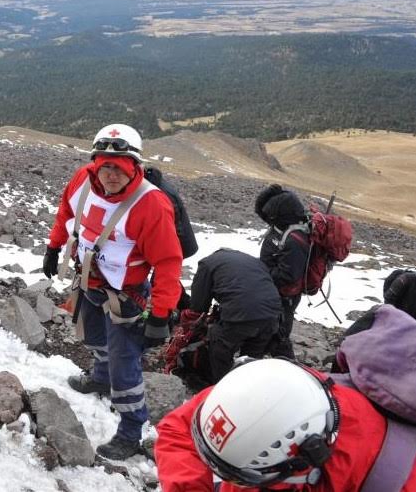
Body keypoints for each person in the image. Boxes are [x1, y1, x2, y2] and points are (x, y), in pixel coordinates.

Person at [42, 123, 183, 460]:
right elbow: (66, 211)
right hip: (89, 282)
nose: (111, 175)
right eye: (105, 165)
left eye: (119, 168)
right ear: (95, 163)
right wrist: (54, 245)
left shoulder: (151, 205)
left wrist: (161, 314)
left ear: (134, 166)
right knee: (92, 339)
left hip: (127, 296)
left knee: (125, 365)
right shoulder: (82, 180)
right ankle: (100, 378)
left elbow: (167, 262)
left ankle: (131, 430)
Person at [155, 357, 416, 491]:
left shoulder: (390, 477)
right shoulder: (265, 390)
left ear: (304, 461)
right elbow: (178, 429)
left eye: (242, 480)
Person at [188, 248, 282, 383]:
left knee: (219, 340)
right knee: (251, 359)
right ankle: (247, 389)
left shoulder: (207, 264)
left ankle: (222, 386)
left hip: (242, 314)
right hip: (273, 314)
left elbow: (198, 305)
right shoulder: (253, 261)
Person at [255, 184, 310, 359]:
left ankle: (290, 368)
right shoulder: (284, 230)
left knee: (279, 338)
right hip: (275, 295)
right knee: (269, 334)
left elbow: (288, 275)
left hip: (283, 299)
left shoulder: (294, 241)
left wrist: (262, 275)